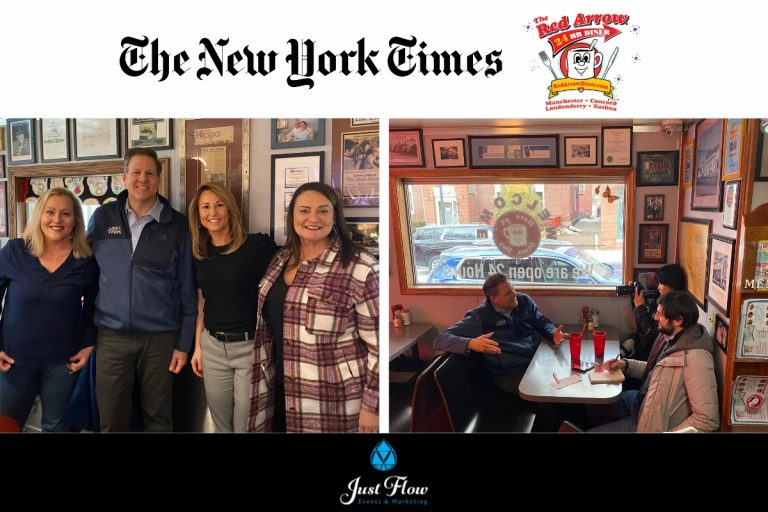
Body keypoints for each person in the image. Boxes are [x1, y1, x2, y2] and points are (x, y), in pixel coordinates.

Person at [248, 182, 379, 433]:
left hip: (332, 402)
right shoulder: (280, 259)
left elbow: (378, 346)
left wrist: (373, 407)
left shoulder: (360, 266)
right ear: (292, 216)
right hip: (279, 392)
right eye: (304, 210)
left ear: (335, 216)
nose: (313, 218)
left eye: (323, 211)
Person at [88, 147, 196, 432]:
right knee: (111, 419)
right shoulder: (102, 218)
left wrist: (183, 345)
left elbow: (187, 288)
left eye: (150, 173)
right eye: (136, 172)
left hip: (160, 340)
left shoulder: (177, 225)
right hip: (111, 337)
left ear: (159, 180)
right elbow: (82, 267)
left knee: (159, 418)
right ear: (124, 178)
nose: (142, 179)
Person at [0, 187, 98, 431]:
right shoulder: (14, 251)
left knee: (57, 427)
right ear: (39, 215)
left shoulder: (85, 259)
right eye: (50, 212)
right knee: (6, 426)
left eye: (66, 213)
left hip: (63, 364)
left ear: (75, 220)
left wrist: (89, 345)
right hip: (14, 362)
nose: (57, 220)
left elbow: (93, 310)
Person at [188, 183, 276, 432]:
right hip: (212, 348)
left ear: (230, 209)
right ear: (198, 215)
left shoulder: (256, 246)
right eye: (205, 207)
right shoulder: (199, 253)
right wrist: (198, 347)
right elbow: (202, 302)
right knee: (221, 424)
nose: (212, 212)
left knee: (246, 425)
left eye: (219, 205)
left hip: (249, 348)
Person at [589, 290, 719, 432]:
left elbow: (707, 419)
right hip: (641, 402)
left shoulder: (697, 359)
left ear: (678, 320)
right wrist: (626, 364)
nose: (655, 317)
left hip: (649, 422)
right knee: (593, 406)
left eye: (660, 314)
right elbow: (657, 371)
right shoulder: (669, 337)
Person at [434, 273, 565, 396]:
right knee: (546, 393)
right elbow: (440, 340)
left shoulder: (524, 301)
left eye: (513, 289)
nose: (514, 294)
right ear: (493, 298)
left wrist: (552, 333)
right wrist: (471, 343)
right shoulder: (479, 316)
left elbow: (541, 321)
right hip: (509, 372)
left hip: (536, 361)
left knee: (564, 383)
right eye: (508, 293)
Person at [621, 264, 686, 361]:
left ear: (672, 285)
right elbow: (646, 320)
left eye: (661, 283)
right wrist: (635, 298)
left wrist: (640, 307)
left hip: (651, 356)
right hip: (644, 349)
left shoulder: (676, 307)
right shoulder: (662, 301)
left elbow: (650, 334)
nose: (658, 287)